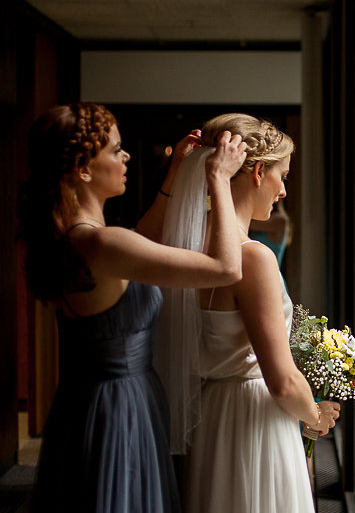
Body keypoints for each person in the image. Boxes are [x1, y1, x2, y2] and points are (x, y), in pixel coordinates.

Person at [17, 102, 248, 512]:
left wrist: (175, 173)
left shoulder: (82, 239)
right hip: (120, 403)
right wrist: (219, 178)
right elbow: (226, 267)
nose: (126, 157)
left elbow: (141, 242)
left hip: (85, 399)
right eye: (115, 149)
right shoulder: (104, 243)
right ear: (83, 168)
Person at [157, 113, 340, 513]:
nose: (284, 191)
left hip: (212, 422)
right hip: (256, 425)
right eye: (283, 176)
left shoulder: (181, 245)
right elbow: (283, 382)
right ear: (258, 172)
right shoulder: (253, 257)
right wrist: (314, 418)